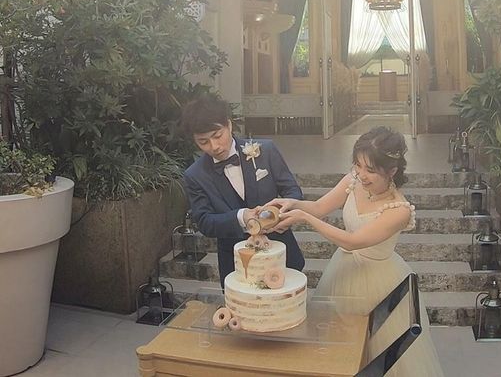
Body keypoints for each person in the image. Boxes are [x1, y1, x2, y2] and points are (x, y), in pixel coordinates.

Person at [266, 126, 444, 377]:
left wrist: (303, 218)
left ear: (392, 171)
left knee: (374, 351)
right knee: (334, 349)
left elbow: (352, 241)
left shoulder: (399, 210)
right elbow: (319, 207)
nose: (362, 175)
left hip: (379, 282)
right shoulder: (353, 180)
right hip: (343, 271)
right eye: (358, 165)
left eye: (370, 170)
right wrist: (293, 203)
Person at [181, 93, 305, 286]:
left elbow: (293, 192)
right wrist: (241, 216)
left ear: (229, 125)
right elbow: (204, 222)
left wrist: (282, 215)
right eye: (203, 142)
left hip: (281, 254)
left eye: (217, 136)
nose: (214, 146)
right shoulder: (195, 175)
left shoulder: (266, 150)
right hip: (237, 266)